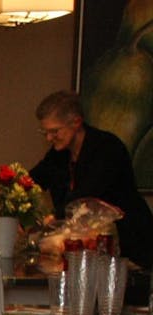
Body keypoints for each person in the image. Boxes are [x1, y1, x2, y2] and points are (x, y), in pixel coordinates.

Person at [29, 89, 153, 268]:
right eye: (45, 132)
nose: (49, 138)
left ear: (76, 122)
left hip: (129, 248)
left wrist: (52, 218)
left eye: (55, 131)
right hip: (89, 252)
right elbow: (32, 180)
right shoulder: (59, 154)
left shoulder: (107, 148)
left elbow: (86, 196)